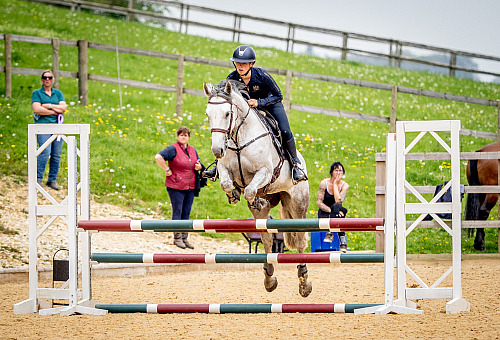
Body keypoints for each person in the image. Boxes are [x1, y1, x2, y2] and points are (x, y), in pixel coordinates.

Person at [203, 45, 307, 183]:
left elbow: (278, 95)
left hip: (271, 105)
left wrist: (259, 102)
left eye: (244, 64)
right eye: (237, 63)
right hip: (248, 109)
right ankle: (218, 165)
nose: (240, 67)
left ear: (251, 64)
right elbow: (225, 96)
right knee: (229, 128)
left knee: (285, 130)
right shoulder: (232, 77)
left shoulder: (262, 76)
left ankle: (295, 165)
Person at [155, 126, 203, 249]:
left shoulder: (193, 150)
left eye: (186, 135)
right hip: (176, 186)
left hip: (190, 186)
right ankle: (177, 238)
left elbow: (198, 163)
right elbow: (158, 157)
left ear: (188, 137)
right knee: (178, 211)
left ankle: (184, 238)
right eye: (181, 135)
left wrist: (199, 167)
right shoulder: (173, 149)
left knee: (186, 212)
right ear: (177, 136)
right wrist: (166, 169)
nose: (183, 137)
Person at [31, 70, 68, 190]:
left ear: (53, 79)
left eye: (50, 77)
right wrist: (55, 111)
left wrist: (49, 106)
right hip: (43, 126)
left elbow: (64, 107)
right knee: (45, 151)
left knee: (56, 154)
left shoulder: (58, 93)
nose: (47, 79)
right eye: (45, 77)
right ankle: (38, 178)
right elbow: (37, 109)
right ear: (42, 79)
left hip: (57, 126)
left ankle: (52, 180)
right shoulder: (37, 93)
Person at [316, 161, 350, 252]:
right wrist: (332, 211)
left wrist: (335, 184)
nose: (338, 173)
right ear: (331, 172)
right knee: (339, 214)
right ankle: (343, 243)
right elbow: (319, 202)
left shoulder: (345, 185)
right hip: (325, 211)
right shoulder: (324, 183)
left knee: (337, 207)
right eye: (336, 170)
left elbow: (338, 200)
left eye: (340, 171)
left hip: (337, 209)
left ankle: (330, 232)